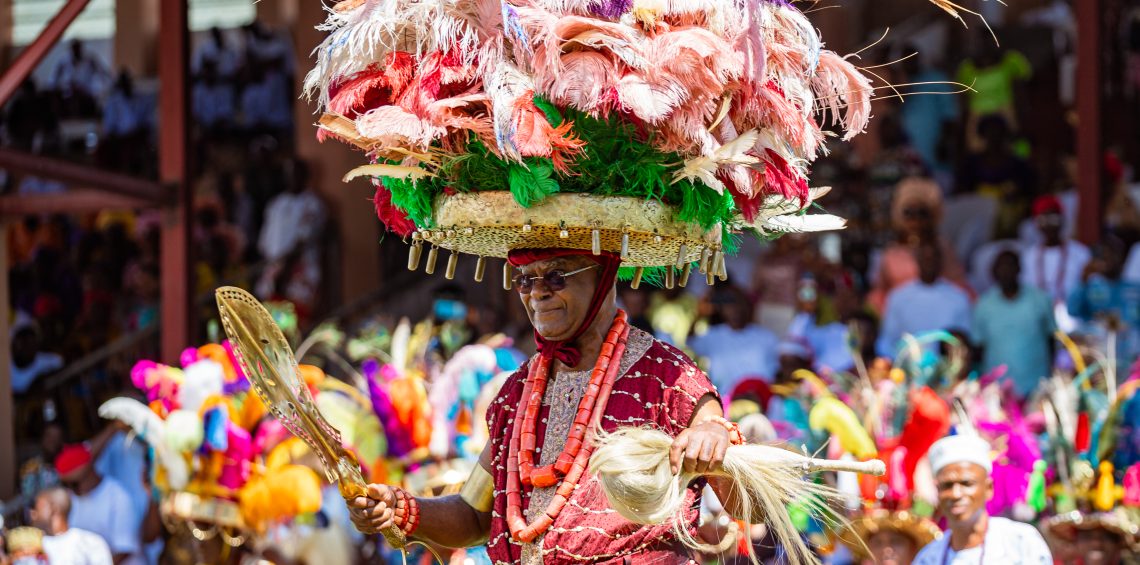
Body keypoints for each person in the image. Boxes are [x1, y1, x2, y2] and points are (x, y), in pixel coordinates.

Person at [912, 434, 1052, 564]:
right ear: (938, 491)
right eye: (947, 485)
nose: (956, 494)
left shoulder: (1020, 542)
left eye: (966, 484)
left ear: (988, 488)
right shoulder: (928, 558)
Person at [868, 178, 971, 313]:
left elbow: (958, 287)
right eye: (909, 213)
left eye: (922, 213)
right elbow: (880, 293)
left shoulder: (943, 248)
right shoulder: (891, 253)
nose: (915, 220)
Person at [972, 251, 1056, 399]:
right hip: (997, 392)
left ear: (1019, 268)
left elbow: (1052, 339)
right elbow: (978, 347)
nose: (1006, 271)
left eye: (1010, 265)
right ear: (993, 272)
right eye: (1001, 267)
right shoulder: (984, 305)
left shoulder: (1040, 299)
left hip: (1036, 388)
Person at [877, 244, 972, 357]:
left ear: (940, 261)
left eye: (933, 259)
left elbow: (964, 340)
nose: (929, 263)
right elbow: (888, 340)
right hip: (907, 369)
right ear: (917, 260)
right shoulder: (898, 297)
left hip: (947, 370)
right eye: (925, 258)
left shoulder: (958, 297)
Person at [54, 444, 142, 565]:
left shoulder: (118, 496)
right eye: (65, 484)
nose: (70, 489)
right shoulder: (70, 499)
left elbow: (124, 550)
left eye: (74, 484)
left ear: (89, 471)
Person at [689, 285, 780, 389]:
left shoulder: (766, 337)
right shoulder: (713, 335)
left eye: (740, 304)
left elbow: (777, 373)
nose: (736, 310)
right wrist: (699, 314)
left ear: (748, 307)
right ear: (722, 310)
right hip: (725, 401)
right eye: (730, 305)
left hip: (759, 400)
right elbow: (690, 341)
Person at [1019, 195, 1090, 326]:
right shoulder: (1028, 256)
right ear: (1036, 224)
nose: (1049, 225)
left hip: (1075, 322)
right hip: (1038, 322)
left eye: (1054, 218)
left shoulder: (1080, 253)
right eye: (1043, 219)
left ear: (1063, 220)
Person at [1067, 239, 1140, 361]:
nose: (1108, 260)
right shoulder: (1089, 286)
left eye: (1113, 255)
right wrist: (1082, 282)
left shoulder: (1135, 289)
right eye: (1103, 256)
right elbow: (1072, 310)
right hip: (1099, 357)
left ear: (1122, 258)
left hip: (1131, 358)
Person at [29, 487, 113, 565]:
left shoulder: (89, 542)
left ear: (53, 509)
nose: (32, 513)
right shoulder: (30, 547)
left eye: (37, 507)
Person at [10, 316, 63, 395]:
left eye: (31, 340)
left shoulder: (52, 361)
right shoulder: (6, 366)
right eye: (23, 341)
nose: (27, 346)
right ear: (14, 344)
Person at [19, 422, 64, 499]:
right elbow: (28, 498)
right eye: (49, 436)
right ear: (42, 439)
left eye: (57, 437)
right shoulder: (31, 466)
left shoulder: (68, 466)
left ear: (62, 441)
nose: (52, 440)